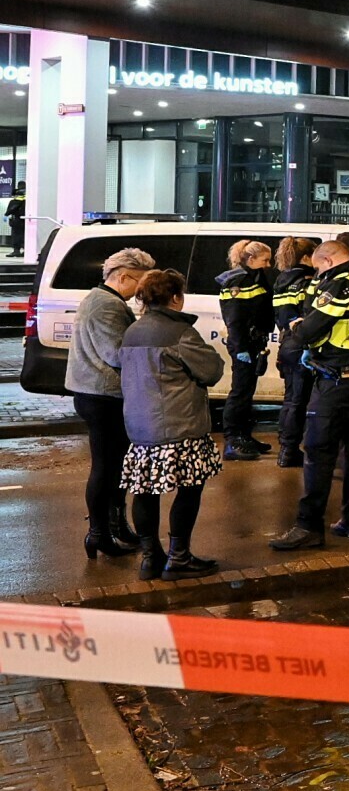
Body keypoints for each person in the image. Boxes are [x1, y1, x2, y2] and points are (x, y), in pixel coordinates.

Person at [269, 240, 349, 550]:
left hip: (338, 378)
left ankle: (308, 527)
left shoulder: (342, 285)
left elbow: (308, 330)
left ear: (328, 260)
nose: (319, 274)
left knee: (318, 449)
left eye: (320, 267)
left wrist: (297, 324)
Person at [117, 268, 225, 580]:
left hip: (140, 427)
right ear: (176, 297)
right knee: (190, 489)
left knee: (144, 490)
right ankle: (179, 557)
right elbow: (211, 371)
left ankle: (150, 558)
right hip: (181, 425)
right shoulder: (180, 333)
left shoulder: (132, 332)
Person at [68, 246, 156, 559]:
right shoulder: (107, 305)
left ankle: (115, 528)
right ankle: (99, 534)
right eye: (141, 282)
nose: (142, 289)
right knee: (106, 467)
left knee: (116, 465)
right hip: (103, 395)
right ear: (123, 277)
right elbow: (117, 354)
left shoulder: (102, 299)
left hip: (96, 392)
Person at [215, 240, 275, 460]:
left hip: (254, 341)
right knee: (239, 392)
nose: (268, 265)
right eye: (265, 260)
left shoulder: (254, 277)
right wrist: (241, 348)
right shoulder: (238, 281)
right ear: (251, 259)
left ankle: (245, 436)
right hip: (244, 343)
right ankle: (232, 440)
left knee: (247, 392)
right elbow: (235, 319)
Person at [270, 237, 319, 468]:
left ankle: (286, 447)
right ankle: (290, 451)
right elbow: (310, 315)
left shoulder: (282, 279)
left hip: (287, 344)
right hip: (301, 344)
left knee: (290, 399)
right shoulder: (309, 281)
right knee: (300, 401)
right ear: (306, 257)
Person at [5, 185, 23, 257]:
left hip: (17, 220)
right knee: (24, 235)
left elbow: (11, 209)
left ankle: (16, 251)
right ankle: (26, 250)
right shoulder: (28, 197)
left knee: (16, 235)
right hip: (26, 220)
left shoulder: (16, 199)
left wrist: (6, 214)